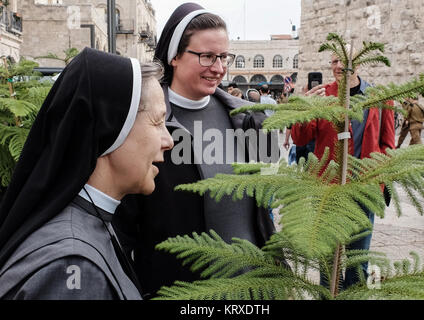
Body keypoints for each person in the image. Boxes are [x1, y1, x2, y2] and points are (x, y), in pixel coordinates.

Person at [113, 2, 277, 298]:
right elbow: (122, 224)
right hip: (177, 290)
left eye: (224, 57)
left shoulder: (249, 119)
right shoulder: (141, 124)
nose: (219, 68)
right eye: (207, 56)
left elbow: (265, 207)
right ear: (175, 55)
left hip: (251, 290)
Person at [0, 48, 174, 300]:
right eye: (158, 122)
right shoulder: (72, 269)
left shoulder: (90, 221)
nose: (168, 140)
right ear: (111, 129)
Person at [291, 52, 395, 289]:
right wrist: (307, 107)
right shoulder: (323, 95)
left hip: (363, 189)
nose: (339, 66)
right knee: (328, 261)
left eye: (344, 61)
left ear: (357, 63)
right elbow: (300, 137)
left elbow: (388, 144)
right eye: (334, 62)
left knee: (358, 260)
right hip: (328, 190)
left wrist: (380, 181)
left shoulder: (380, 98)